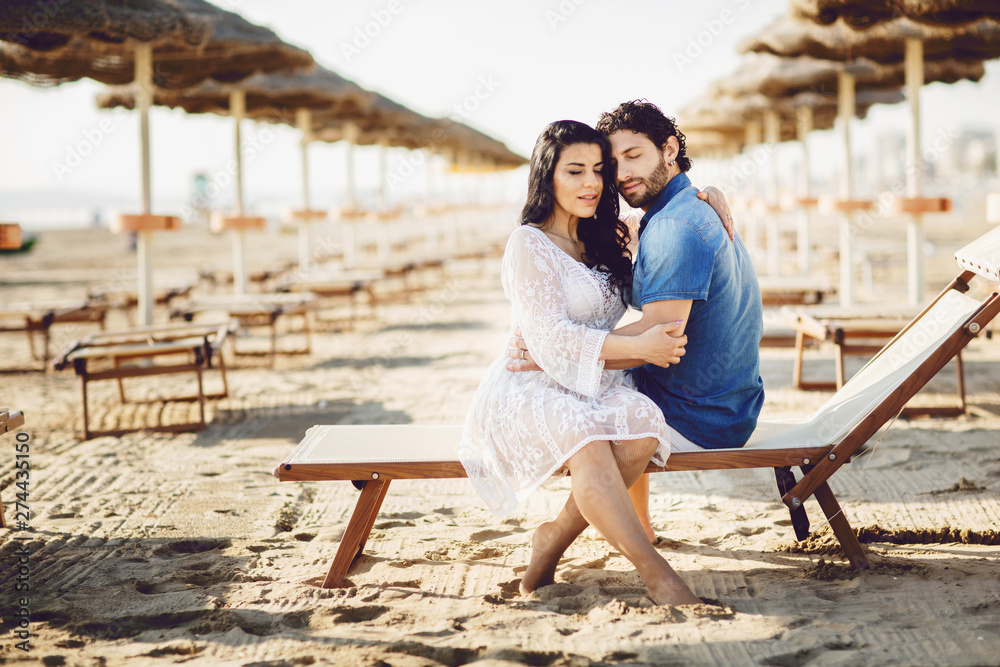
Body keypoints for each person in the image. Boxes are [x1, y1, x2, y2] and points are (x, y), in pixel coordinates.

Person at [458, 120, 733, 606]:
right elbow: (549, 338)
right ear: (549, 177)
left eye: (599, 171)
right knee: (586, 440)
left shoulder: (611, 235)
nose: (592, 183)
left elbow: (675, 212)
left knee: (645, 426)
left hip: (595, 381)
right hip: (531, 385)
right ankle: (660, 577)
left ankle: (552, 538)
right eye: (576, 171)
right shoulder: (528, 243)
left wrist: (708, 193)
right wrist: (641, 349)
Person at [509, 101, 764, 543]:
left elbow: (659, 336)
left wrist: (553, 354)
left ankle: (557, 533)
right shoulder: (675, 211)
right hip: (732, 403)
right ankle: (640, 527)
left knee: (591, 395)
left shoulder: (674, 228)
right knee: (612, 376)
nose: (622, 174)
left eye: (634, 156)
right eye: (614, 164)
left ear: (668, 150)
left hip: (697, 416)